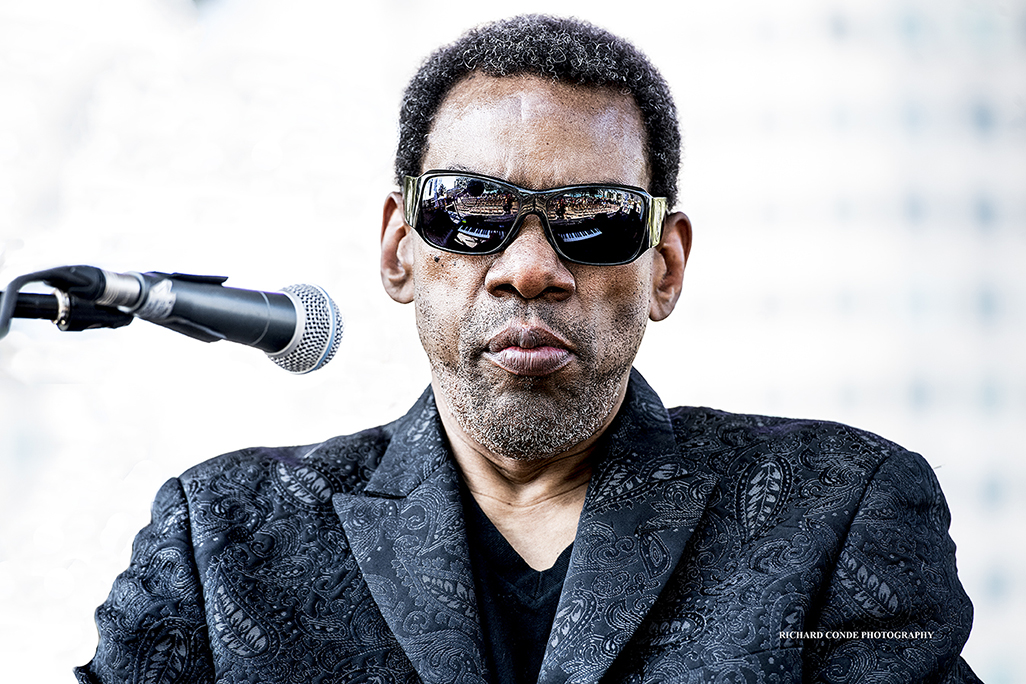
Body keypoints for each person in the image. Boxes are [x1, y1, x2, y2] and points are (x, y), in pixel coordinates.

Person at [76, 14, 979, 684]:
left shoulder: (836, 507)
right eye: (472, 215)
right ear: (399, 251)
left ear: (664, 268)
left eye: (592, 220)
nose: (530, 269)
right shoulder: (223, 534)